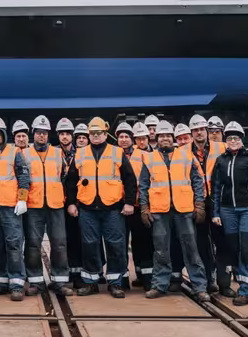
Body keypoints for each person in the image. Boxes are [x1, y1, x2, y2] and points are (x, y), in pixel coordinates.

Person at [138, 117, 208, 302]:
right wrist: (144, 208)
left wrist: (199, 204)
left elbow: (197, 182)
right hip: (159, 211)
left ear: (174, 137)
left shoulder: (186, 156)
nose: (165, 139)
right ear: (157, 138)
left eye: (168, 135)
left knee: (191, 248)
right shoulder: (149, 158)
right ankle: (160, 285)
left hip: (184, 210)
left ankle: (200, 287)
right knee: (161, 250)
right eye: (162, 136)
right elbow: (143, 185)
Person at [69, 117, 137, 297]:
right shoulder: (80, 154)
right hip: (87, 208)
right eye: (92, 133)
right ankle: (91, 282)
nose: (96, 136)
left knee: (115, 245)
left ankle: (116, 283)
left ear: (105, 134)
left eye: (99, 133)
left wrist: (129, 202)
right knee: (89, 245)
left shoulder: (116, 152)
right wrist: (71, 203)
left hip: (113, 208)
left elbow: (130, 179)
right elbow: (70, 180)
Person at [210, 121, 248, 306]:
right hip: (228, 212)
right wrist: (216, 212)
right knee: (234, 249)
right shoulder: (221, 160)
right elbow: (216, 188)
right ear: (226, 141)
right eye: (230, 138)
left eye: (236, 138)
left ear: (242, 140)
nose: (233, 141)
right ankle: (244, 284)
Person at [0, 116, 32, 300]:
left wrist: (22, 200)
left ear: (3, 135)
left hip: (10, 208)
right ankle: (2, 281)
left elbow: (24, 178)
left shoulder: (14, 152)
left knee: (14, 244)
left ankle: (17, 283)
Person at [19, 115, 72, 295]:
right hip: (34, 205)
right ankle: (36, 281)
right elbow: (22, 179)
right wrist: (22, 200)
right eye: (38, 133)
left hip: (55, 206)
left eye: (44, 133)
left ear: (48, 135)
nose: (41, 136)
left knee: (59, 243)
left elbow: (65, 178)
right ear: (33, 134)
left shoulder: (58, 154)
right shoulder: (24, 154)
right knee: (33, 243)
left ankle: (60, 281)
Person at [185, 114, 228, 294]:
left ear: (207, 131)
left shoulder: (222, 148)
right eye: (195, 130)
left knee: (223, 243)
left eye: (202, 129)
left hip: (219, 201)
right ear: (191, 133)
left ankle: (224, 284)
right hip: (198, 203)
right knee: (201, 244)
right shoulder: (183, 151)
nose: (199, 133)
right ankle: (208, 280)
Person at [120, 122, 155, 289]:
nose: (124, 140)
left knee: (142, 242)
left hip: (139, 205)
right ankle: (122, 280)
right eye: (121, 136)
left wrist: (145, 205)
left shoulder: (143, 155)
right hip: (119, 206)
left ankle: (146, 277)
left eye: (127, 136)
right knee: (119, 243)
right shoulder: (112, 155)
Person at [56, 118, 85, 291]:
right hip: (58, 203)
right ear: (58, 135)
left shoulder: (81, 154)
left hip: (76, 203)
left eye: (68, 134)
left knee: (77, 239)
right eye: (62, 134)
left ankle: (77, 275)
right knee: (61, 240)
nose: (65, 137)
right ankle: (62, 274)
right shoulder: (53, 153)